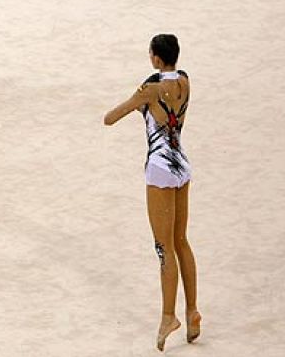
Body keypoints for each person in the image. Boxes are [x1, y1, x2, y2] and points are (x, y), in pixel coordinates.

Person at [104, 34, 201, 351]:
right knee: (182, 240)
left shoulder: (149, 90)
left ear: (156, 59)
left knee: (163, 247)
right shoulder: (185, 82)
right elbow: (170, 95)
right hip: (182, 165)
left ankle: (168, 315)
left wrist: (139, 101)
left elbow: (109, 118)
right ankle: (192, 310)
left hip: (160, 169)